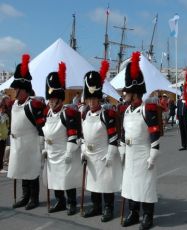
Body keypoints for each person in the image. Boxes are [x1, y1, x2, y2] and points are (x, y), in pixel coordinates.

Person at [119, 51, 161, 230]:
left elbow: (155, 136)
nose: (124, 94)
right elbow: (123, 133)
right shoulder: (127, 110)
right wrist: (121, 149)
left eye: (126, 92)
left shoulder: (147, 110)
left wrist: (153, 155)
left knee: (145, 186)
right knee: (130, 186)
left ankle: (147, 216)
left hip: (144, 154)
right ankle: (133, 212)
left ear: (134, 93)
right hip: (130, 153)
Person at [81, 60, 122, 222]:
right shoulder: (84, 114)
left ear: (99, 100)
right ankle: (96, 206)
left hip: (104, 154)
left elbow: (113, 137)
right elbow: (83, 136)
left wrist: (111, 155)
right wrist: (83, 150)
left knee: (106, 183)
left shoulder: (107, 115)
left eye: (94, 100)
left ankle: (108, 208)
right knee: (93, 183)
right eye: (89, 100)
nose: (91, 103)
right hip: (90, 154)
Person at [42, 62, 82, 215]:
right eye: (50, 100)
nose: (51, 103)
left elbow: (72, 135)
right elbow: (47, 133)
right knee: (54, 180)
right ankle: (60, 201)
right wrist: (45, 148)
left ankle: (71, 203)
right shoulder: (48, 114)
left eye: (53, 100)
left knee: (67, 179)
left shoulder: (68, 113)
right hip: (52, 152)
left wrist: (69, 153)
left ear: (60, 100)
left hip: (65, 152)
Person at [7, 54, 46, 210]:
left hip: (30, 144)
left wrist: (41, 145)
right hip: (17, 144)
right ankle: (25, 196)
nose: (14, 90)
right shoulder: (14, 105)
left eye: (17, 88)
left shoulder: (33, 105)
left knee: (31, 172)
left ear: (24, 90)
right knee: (22, 171)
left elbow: (41, 127)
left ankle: (34, 198)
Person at [0, 98, 9, 173]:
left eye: (4, 108)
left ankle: (1, 167)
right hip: (0, 136)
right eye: (2, 108)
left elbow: (7, 125)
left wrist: (6, 132)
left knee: (2, 152)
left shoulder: (6, 116)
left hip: (4, 136)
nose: (3, 109)